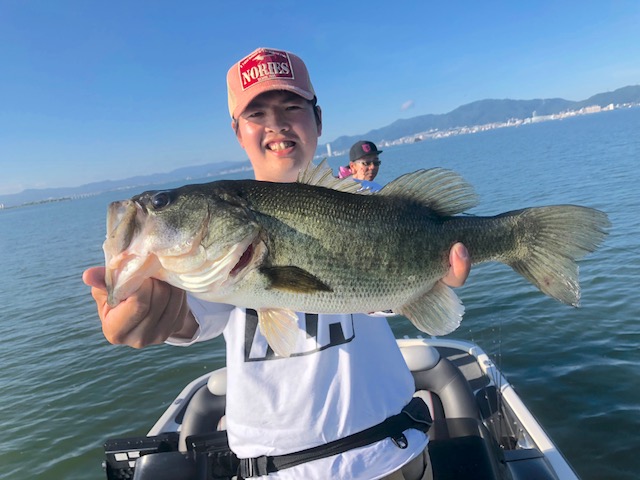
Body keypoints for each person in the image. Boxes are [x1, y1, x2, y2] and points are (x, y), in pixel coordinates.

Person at [83, 47, 471, 479]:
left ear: (318, 120)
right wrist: (155, 312)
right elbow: (188, 314)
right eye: (257, 113)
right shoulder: (212, 261)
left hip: (387, 454)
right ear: (238, 132)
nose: (277, 124)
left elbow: (383, 293)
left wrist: (426, 280)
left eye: (291, 107)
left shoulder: (368, 202)